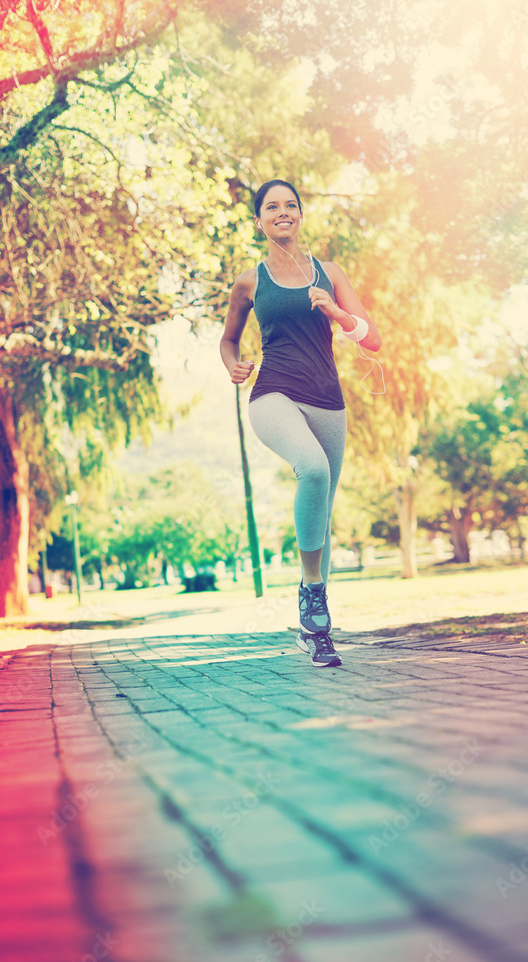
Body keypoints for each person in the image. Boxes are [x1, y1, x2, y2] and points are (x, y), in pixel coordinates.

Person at [220, 179, 382, 666]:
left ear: (301, 215)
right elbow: (228, 340)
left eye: (291, 205)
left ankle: (317, 634)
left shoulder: (328, 272)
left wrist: (335, 311)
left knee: (322, 514)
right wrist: (232, 365)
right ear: (259, 220)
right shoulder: (250, 281)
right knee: (312, 469)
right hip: (273, 394)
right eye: (272, 207)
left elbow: (371, 339)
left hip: (328, 400)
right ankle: (313, 598)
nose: (283, 212)